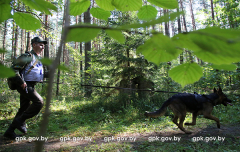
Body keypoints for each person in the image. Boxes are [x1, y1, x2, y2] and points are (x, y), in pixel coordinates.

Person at [4, 37, 48, 139]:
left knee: (24, 108)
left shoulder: (38, 58)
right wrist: (21, 82)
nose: (43, 47)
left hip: (31, 84)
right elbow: (13, 70)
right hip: (24, 85)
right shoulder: (27, 56)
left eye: (43, 45)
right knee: (39, 102)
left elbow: (37, 73)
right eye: (41, 44)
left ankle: (9, 132)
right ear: (34, 45)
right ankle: (20, 121)